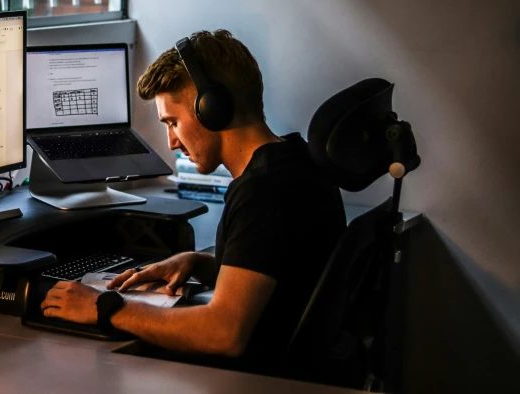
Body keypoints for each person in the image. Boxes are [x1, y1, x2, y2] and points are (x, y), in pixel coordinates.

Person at [41, 30, 346, 374]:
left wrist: (107, 307)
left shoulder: (263, 192)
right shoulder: (294, 160)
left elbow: (224, 333)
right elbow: (280, 268)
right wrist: (199, 262)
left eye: (173, 122)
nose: (171, 142)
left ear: (212, 109)